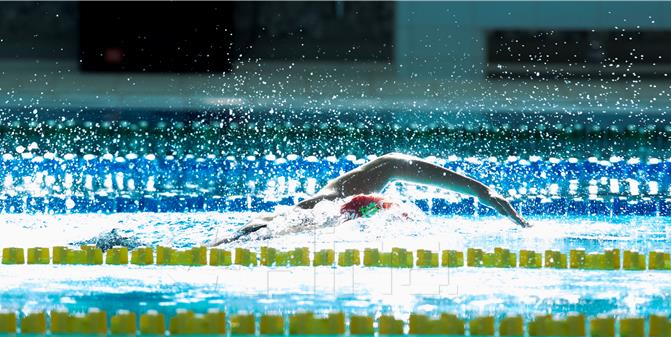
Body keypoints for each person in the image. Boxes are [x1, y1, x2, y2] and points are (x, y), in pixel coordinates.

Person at [210, 152, 530, 246]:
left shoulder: (363, 188)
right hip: (284, 224)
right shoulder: (343, 195)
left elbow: (393, 164)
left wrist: (482, 191)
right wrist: (481, 191)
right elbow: (393, 163)